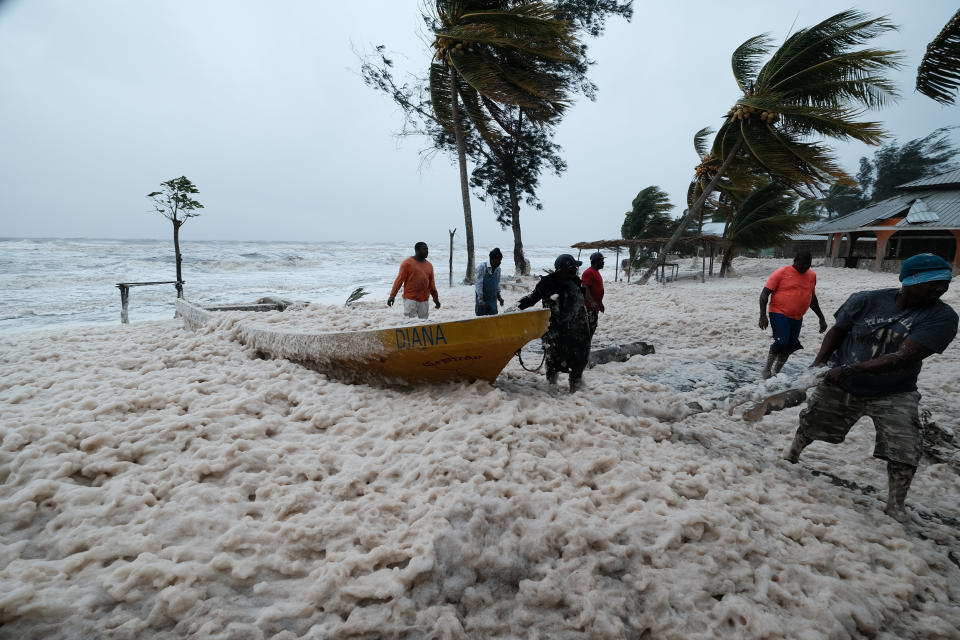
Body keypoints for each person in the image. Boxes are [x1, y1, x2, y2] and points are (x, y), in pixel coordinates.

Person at [783, 253, 958, 522]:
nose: (940, 288)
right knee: (813, 423)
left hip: (894, 391)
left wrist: (850, 369)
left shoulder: (943, 317)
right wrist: (819, 364)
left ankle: (896, 505)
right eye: (932, 283)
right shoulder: (866, 300)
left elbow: (904, 356)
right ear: (909, 281)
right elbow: (838, 331)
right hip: (841, 382)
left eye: (944, 283)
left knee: (905, 447)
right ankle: (791, 456)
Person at [517, 254, 591, 392]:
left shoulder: (575, 282)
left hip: (578, 332)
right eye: (573, 267)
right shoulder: (547, 283)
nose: (576, 270)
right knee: (553, 362)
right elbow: (531, 299)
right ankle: (551, 390)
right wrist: (516, 308)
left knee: (578, 362)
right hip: (555, 331)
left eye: (576, 268)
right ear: (562, 270)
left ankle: (576, 394)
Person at [759, 251, 828, 378]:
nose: (805, 268)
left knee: (791, 345)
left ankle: (776, 374)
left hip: (797, 316)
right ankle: (767, 369)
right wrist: (762, 316)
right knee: (782, 341)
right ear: (795, 261)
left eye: (808, 265)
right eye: (802, 264)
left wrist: (821, 318)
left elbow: (812, 298)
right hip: (778, 312)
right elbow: (764, 295)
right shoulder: (781, 273)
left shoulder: (811, 276)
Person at [387, 242, 440, 319]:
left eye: (427, 249)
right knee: (411, 323)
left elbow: (432, 285)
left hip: (424, 300)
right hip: (410, 299)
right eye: (424, 249)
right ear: (417, 250)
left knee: (423, 324)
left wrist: (436, 300)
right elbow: (399, 281)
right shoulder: (407, 263)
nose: (427, 251)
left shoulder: (429, 265)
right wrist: (392, 296)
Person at [581, 251, 605, 340]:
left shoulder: (596, 272)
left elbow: (597, 290)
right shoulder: (589, 272)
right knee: (588, 329)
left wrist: (600, 303)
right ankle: (585, 347)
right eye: (601, 261)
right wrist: (591, 301)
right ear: (596, 261)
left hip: (594, 306)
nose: (603, 263)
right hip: (588, 307)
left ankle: (587, 346)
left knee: (593, 326)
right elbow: (585, 287)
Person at [475, 248, 505, 316]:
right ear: (491, 259)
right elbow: (478, 284)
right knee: (482, 320)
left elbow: (497, 284)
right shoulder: (482, 267)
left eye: (500, 261)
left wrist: (499, 297)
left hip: (492, 299)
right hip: (483, 299)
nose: (499, 262)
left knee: (493, 319)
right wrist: (481, 300)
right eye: (497, 260)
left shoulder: (498, 269)